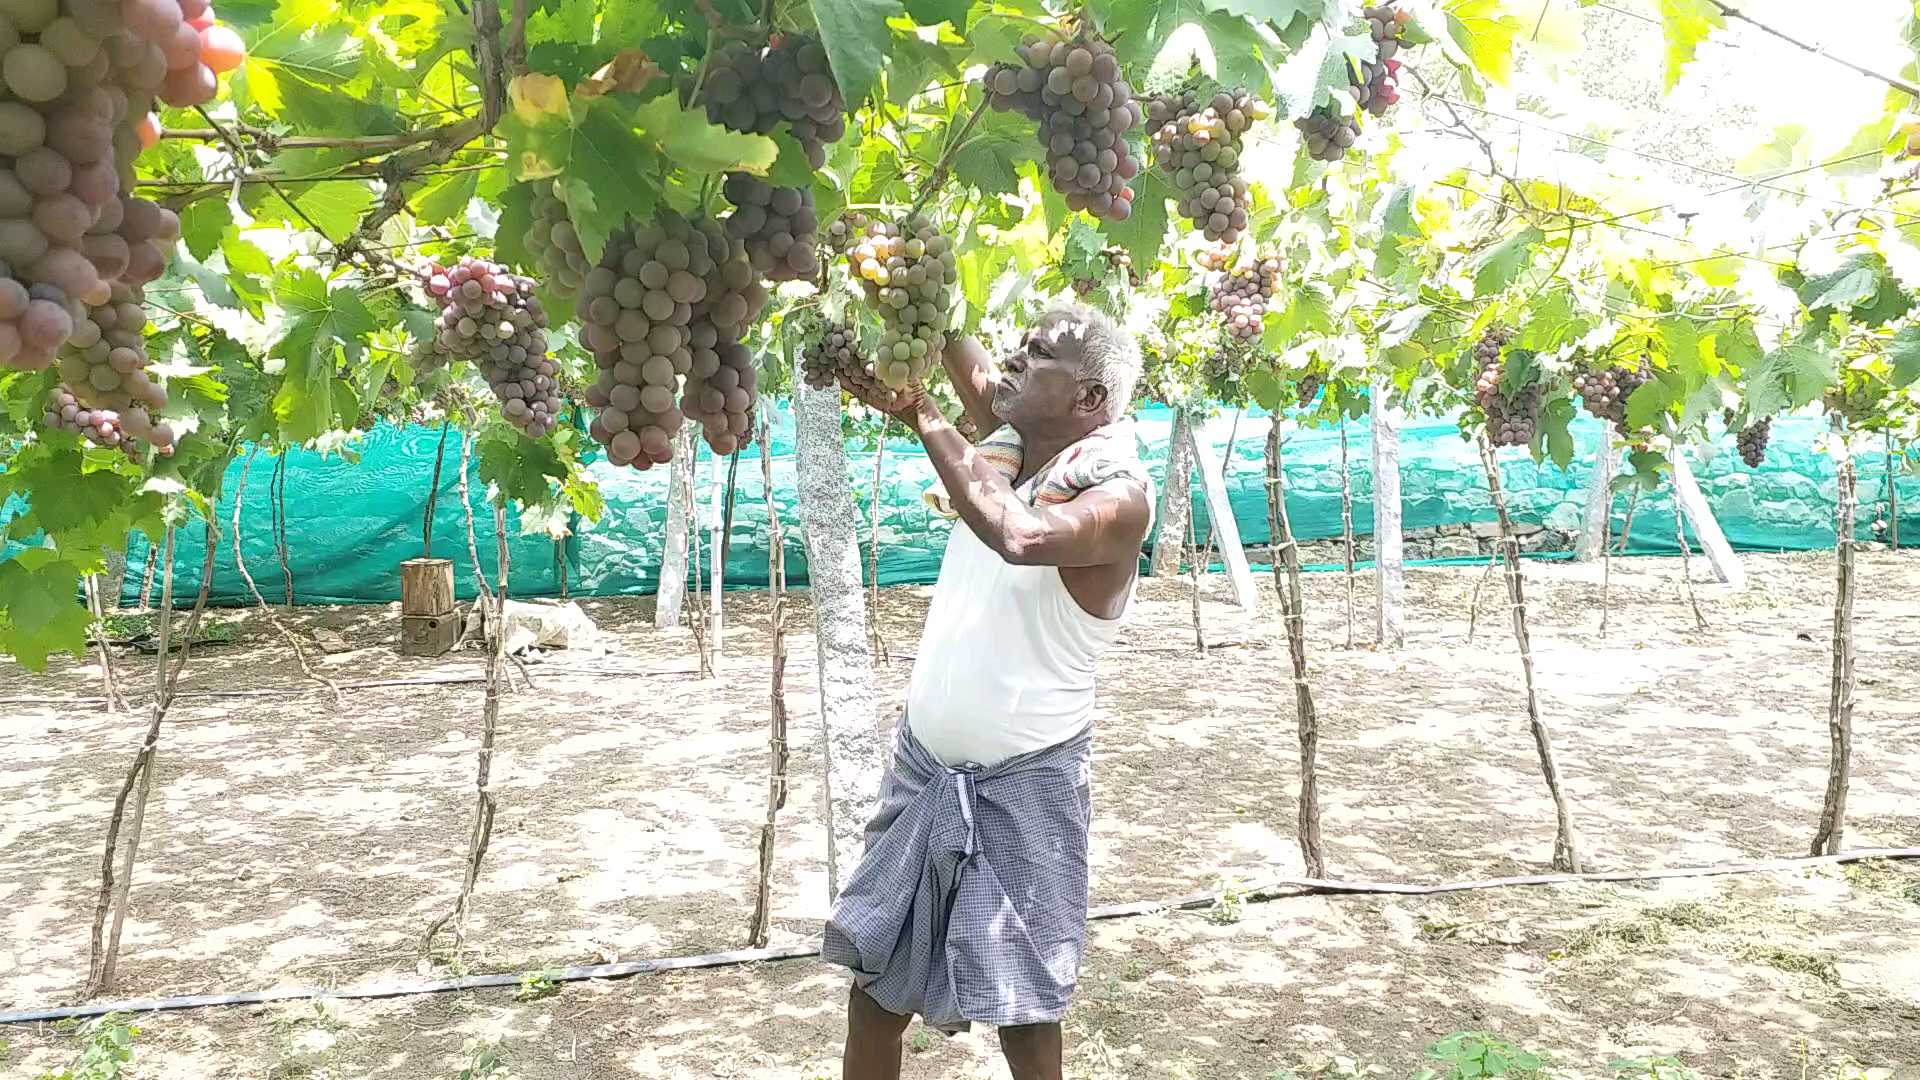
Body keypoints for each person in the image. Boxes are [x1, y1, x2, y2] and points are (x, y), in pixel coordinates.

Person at [821, 304, 1153, 1080]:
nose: (1013, 356)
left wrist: (923, 413)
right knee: (875, 992)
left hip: (1026, 785)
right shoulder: (1009, 448)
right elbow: (938, 330)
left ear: (1090, 401)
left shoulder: (1118, 499)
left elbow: (1020, 536)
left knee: (1025, 1012)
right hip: (923, 772)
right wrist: (899, 264)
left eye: (1038, 354)